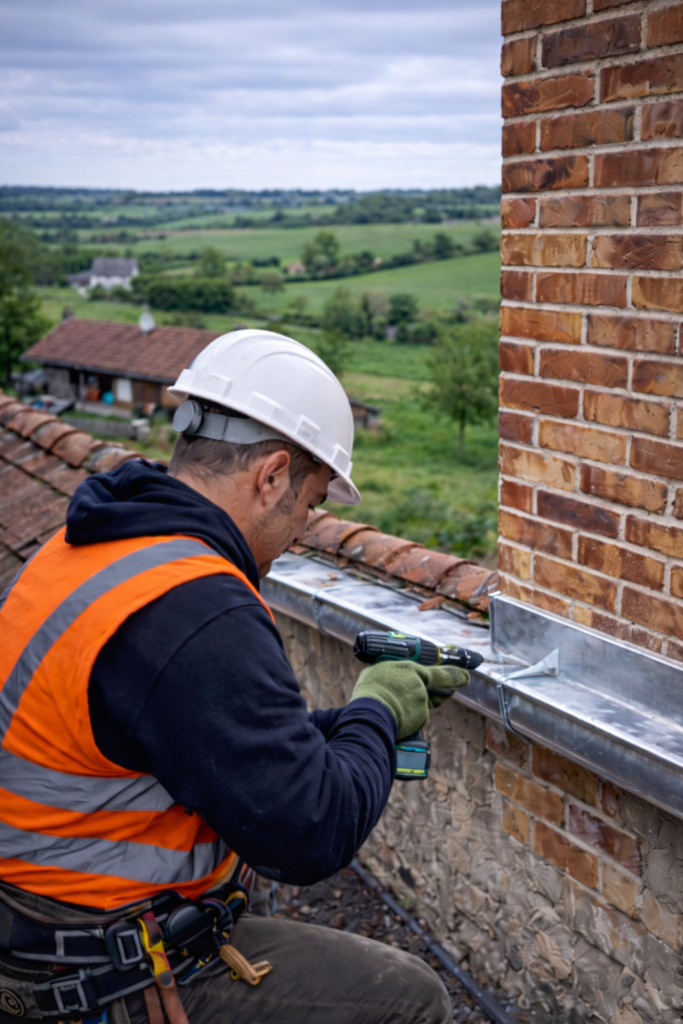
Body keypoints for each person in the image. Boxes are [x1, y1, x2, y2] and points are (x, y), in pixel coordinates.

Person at [0, 330, 470, 1024]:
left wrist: (327, 731)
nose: (303, 529)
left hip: (33, 927)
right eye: (309, 503)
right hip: (98, 970)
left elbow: (174, 734)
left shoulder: (91, 548)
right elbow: (310, 835)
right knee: (408, 998)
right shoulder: (194, 608)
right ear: (271, 475)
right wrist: (377, 710)